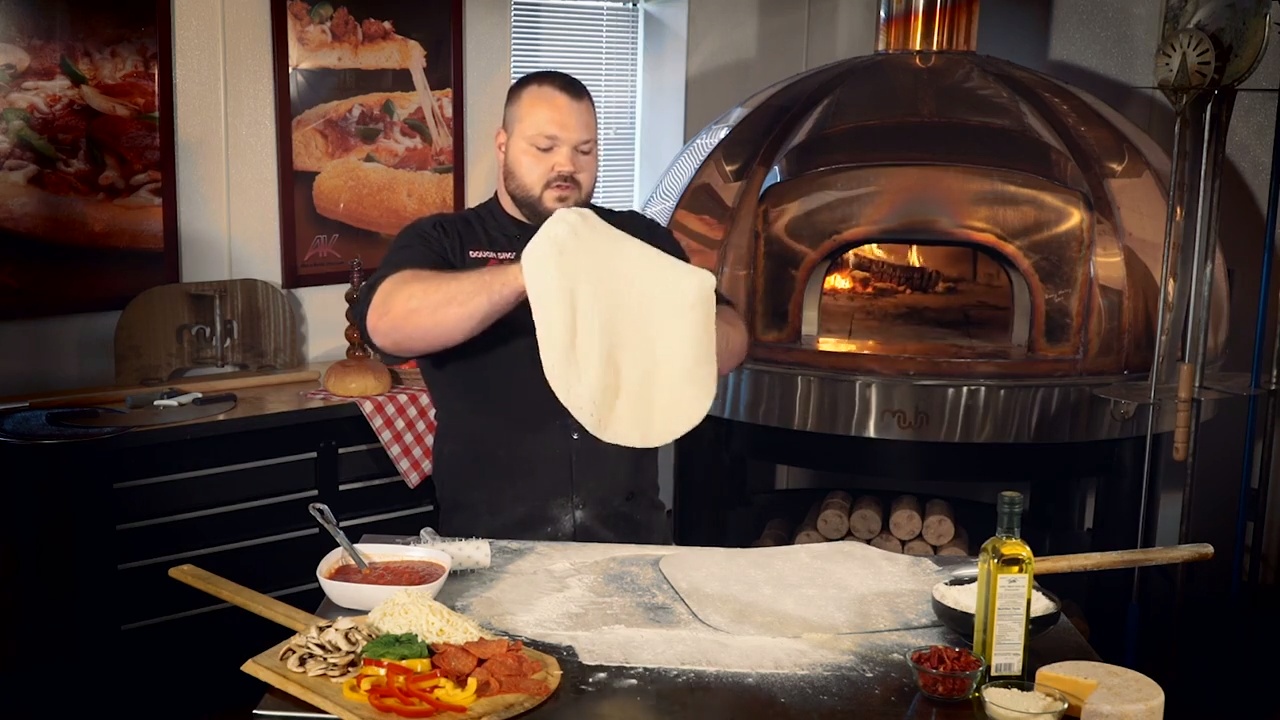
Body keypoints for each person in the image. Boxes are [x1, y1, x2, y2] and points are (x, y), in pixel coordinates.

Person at [353, 70, 749, 544]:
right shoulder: (446, 240)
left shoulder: (638, 239)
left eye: (585, 150)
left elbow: (731, 338)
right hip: (490, 547)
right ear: (503, 145)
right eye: (545, 148)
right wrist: (533, 270)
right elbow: (387, 324)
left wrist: (675, 314)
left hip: (629, 543)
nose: (567, 166)